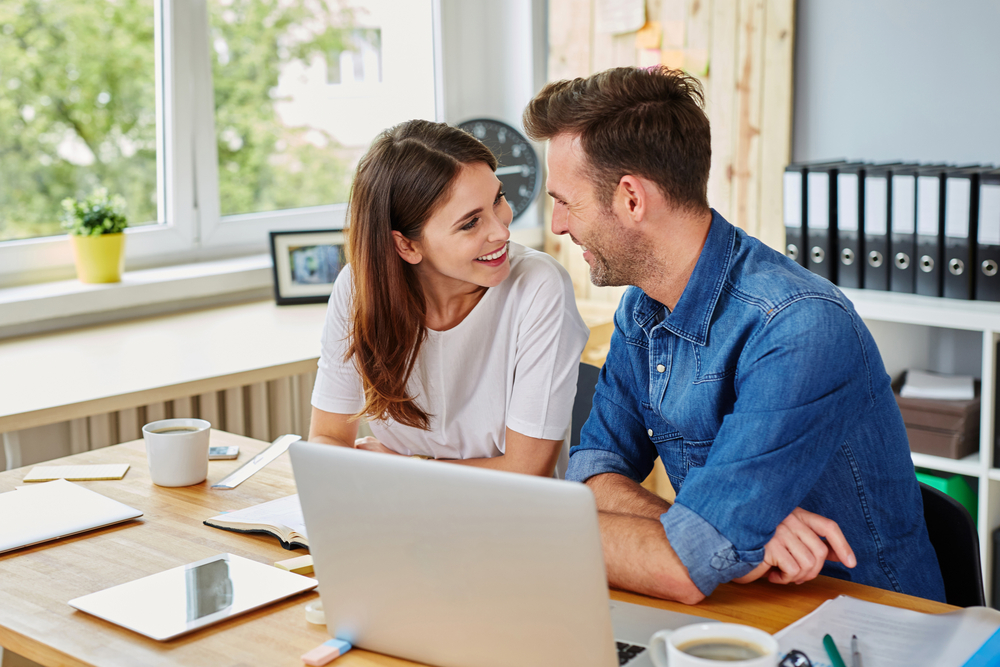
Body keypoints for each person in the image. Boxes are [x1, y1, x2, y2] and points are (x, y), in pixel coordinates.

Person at [522, 66, 946, 603]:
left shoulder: (797, 325)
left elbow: (680, 568)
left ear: (632, 198)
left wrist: (700, 541)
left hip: (866, 624)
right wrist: (699, 528)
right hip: (736, 609)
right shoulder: (642, 308)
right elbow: (590, 474)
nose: (558, 224)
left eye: (566, 201)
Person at [308, 119, 589, 477]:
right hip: (397, 515)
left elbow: (526, 471)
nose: (502, 231)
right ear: (406, 245)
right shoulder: (358, 288)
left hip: (510, 520)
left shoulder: (538, 286)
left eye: (498, 199)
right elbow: (327, 439)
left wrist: (409, 468)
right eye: (470, 223)